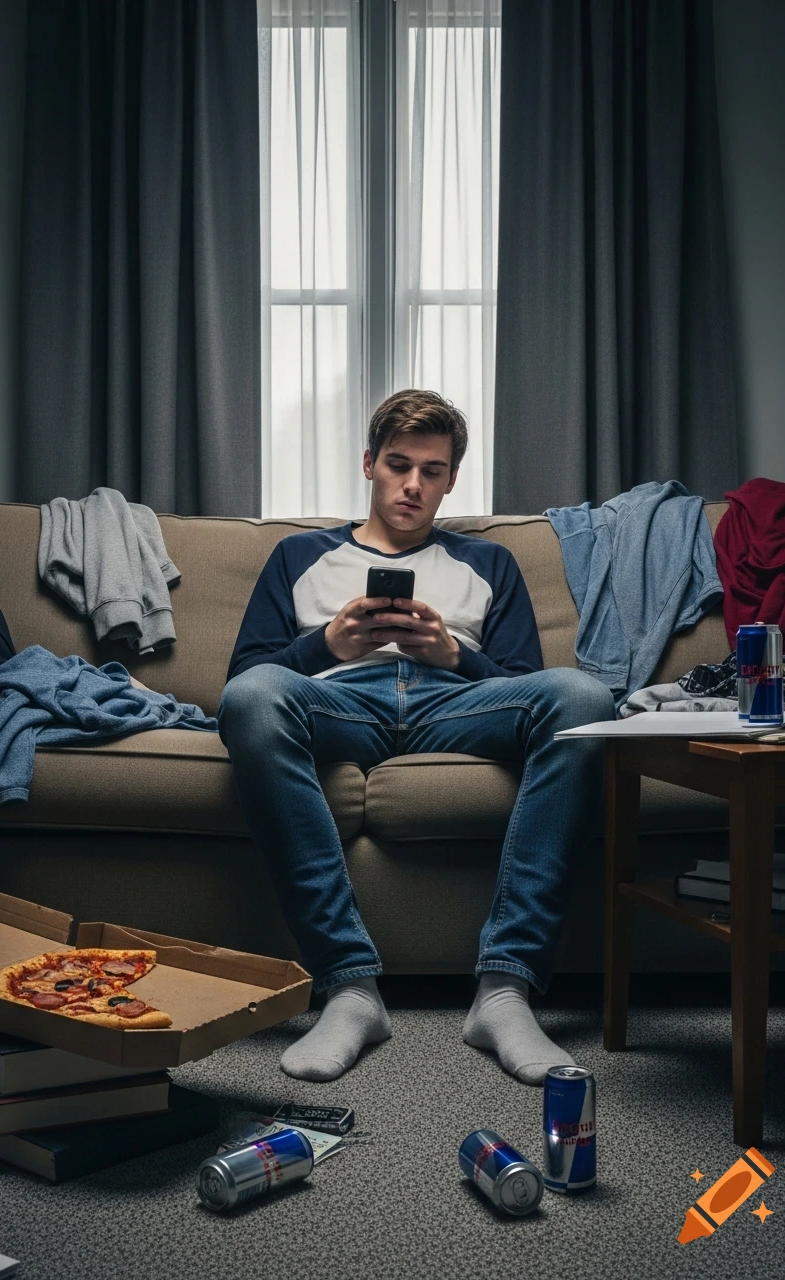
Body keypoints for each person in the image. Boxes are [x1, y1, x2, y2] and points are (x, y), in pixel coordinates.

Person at [217, 390, 614, 1085]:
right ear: (369, 464)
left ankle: (504, 990)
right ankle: (348, 987)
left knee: (584, 696)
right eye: (398, 465)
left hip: (454, 704)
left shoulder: (488, 563)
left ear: (451, 479)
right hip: (339, 702)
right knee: (252, 699)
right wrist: (326, 644)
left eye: (431, 471)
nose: (412, 484)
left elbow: (525, 683)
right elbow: (245, 680)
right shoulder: (299, 555)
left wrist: (454, 656)